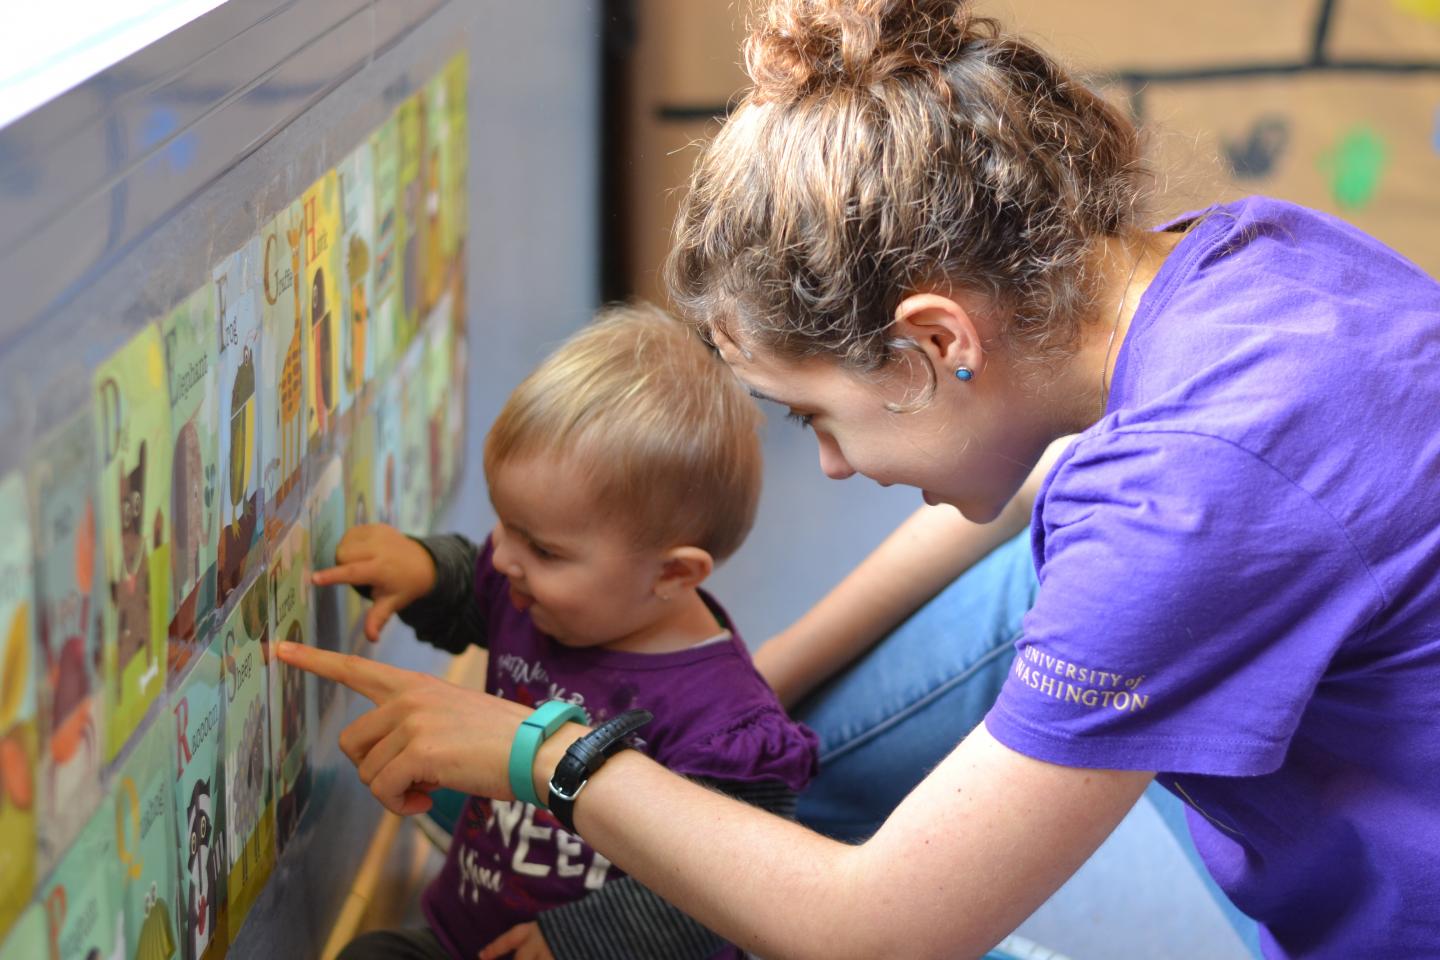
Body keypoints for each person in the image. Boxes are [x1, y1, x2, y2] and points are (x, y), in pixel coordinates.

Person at [281, 1, 1440, 956]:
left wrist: (550, 757)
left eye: (816, 418)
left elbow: (873, 930)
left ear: (936, 345)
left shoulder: (1200, 494)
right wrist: (715, 708)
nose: (827, 466)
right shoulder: (1227, 262)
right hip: (1346, 779)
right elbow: (1051, 493)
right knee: (1015, 606)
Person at [323, 305, 818, 960]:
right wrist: (420, 568)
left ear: (672, 573)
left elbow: (722, 892)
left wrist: (581, 942)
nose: (504, 558)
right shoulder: (536, 597)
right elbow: (474, 589)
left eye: (544, 550)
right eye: (505, 524)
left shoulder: (726, 725)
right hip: (462, 935)